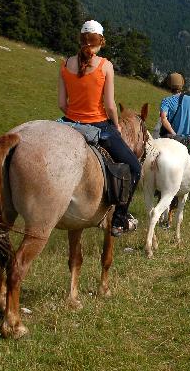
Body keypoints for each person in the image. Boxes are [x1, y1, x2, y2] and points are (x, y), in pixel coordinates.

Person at [58, 20, 140, 237]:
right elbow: (111, 106)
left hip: (68, 123)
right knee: (134, 167)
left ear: (80, 39)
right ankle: (119, 219)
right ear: (100, 42)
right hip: (98, 125)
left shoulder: (66, 64)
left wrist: (74, 115)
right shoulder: (105, 66)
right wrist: (116, 126)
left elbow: (61, 104)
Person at [160, 73, 190, 139]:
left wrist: (174, 134)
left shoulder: (166, 101)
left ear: (169, 85)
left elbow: (163, 118)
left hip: (174, 141)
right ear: (182, 84)